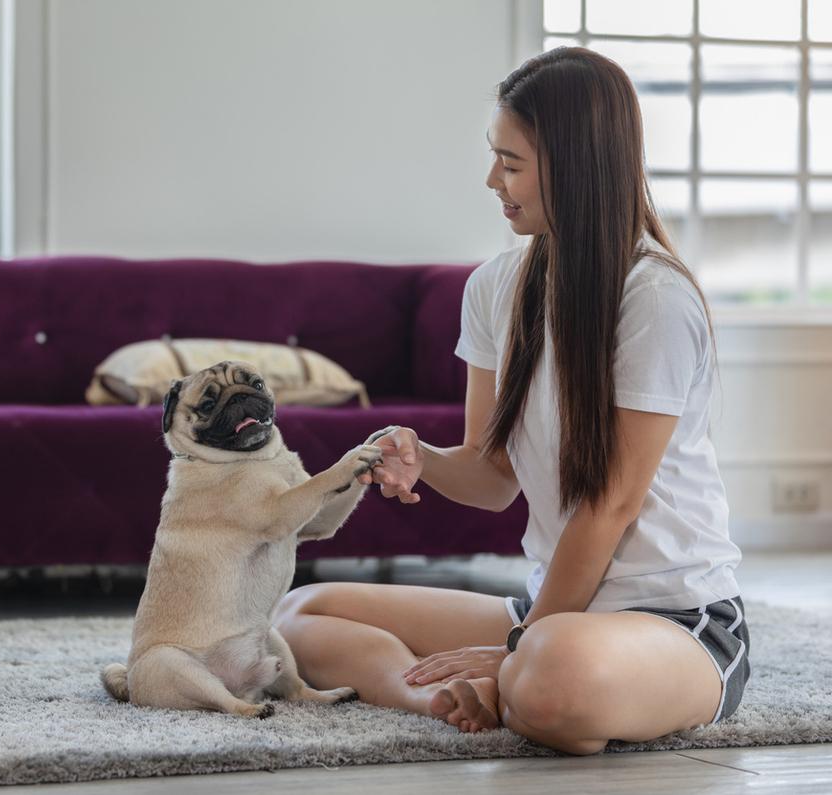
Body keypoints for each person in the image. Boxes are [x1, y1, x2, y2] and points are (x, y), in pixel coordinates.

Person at [272, 46, 750, 756]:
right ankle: (440, 697)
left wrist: (525, 646)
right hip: (551, 609)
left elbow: (610, 505)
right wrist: (423, 458)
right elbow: (493, 478)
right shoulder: (496, 287)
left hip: (676, 622)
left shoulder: (654, 300)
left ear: (575, 166)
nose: (492, 179)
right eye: (495, 156)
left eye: (512, 162)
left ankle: (515, 679)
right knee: (300, 612)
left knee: (554, 674)